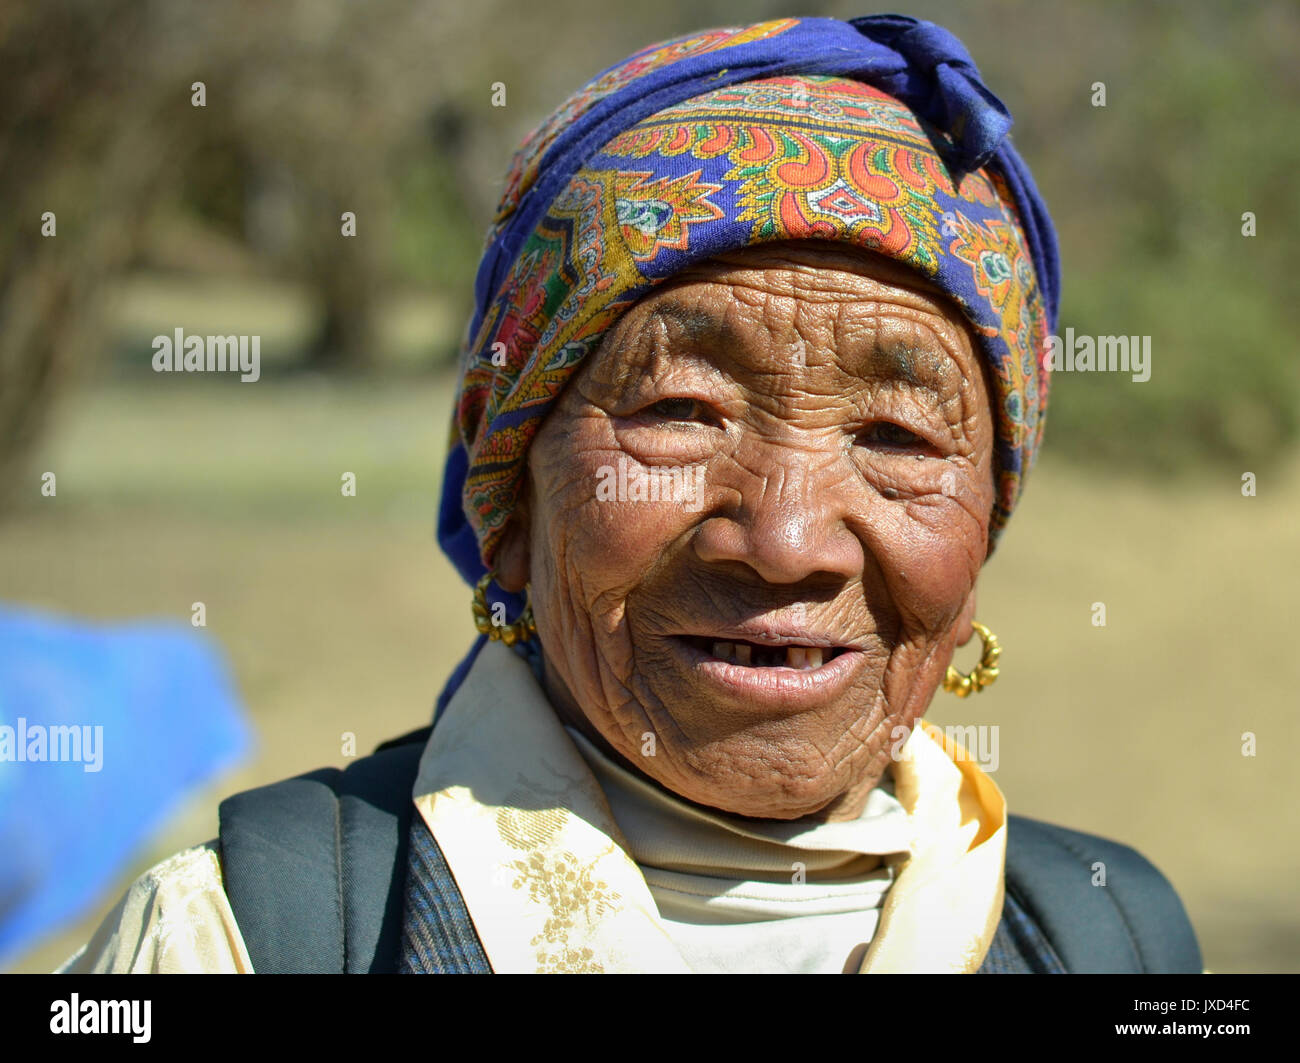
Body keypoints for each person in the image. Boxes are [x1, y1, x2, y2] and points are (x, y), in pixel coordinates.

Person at [60, 13, 1201, 974]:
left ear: (983, 528)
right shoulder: (245, 935)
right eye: (677, 413)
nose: (788, 538)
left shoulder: (1106, 936)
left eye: (897, 435)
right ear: (507, 482)